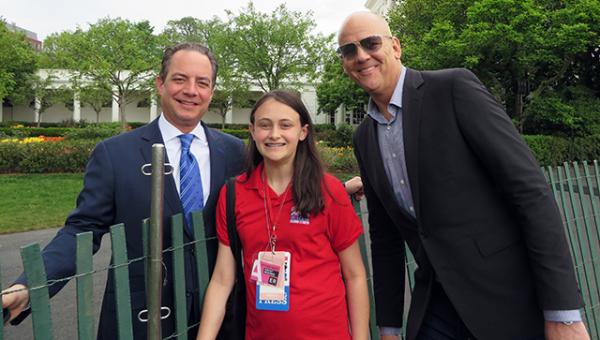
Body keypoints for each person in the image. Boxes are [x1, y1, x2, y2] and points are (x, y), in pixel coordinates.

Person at [337, 11, 590, 340]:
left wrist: (563, 313)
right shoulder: (364, 138)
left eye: (371, 43)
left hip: (506, 298)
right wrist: (389, 328)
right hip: (436, 304)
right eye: (349, 50)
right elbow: (385, 239)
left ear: (396, 47)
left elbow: (530, 192)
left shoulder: (453, 89)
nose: (361, 56)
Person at [1, 43, 246, 339]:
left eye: (202, 82)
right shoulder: (115, 154)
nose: (191, 90)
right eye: (180, 79)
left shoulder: (235, 153)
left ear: (212, 91)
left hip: (219, 321)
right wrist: (30, 286)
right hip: (141, 319)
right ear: (160, 84)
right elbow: (82, 230)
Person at [196, 90, 370, 340]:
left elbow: (355, 275)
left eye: (285, 125)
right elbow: (223, 279)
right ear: (252, 131)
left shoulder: (328, 191)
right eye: (265, 125)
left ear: (303, 132)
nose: (274, 134)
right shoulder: (234, 194)